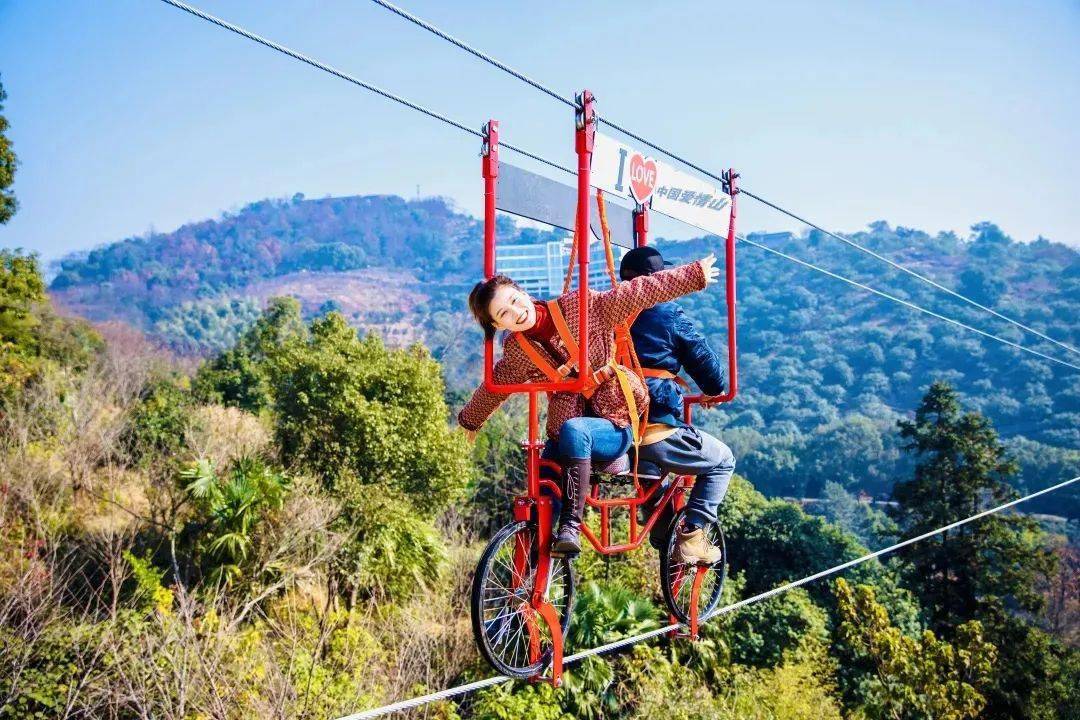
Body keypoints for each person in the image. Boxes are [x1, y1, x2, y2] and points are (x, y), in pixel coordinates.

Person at [459, 254, 720, 555]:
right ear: (496, 324)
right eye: (504, 313)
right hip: (570, 425)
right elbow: (496, 384)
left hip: (615, 417)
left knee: (574, 431)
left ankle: (571, 524)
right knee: (545, 479)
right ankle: (532, 569)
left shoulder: (582, 307)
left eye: (516, 301)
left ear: (523, 292)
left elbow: (639, 292)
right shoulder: (520, 350)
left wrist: (694, 274)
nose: (516, 313)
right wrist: (470, 420)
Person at [620, 246, 736, 565]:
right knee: (722, 460)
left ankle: (662, 532)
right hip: (653, 423)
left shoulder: (606, 309)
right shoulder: (666, 312)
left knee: (649, 471)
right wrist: (714, 389)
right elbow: (700, 357)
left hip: (613, 427)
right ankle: (692, 535)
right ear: (659, 279)